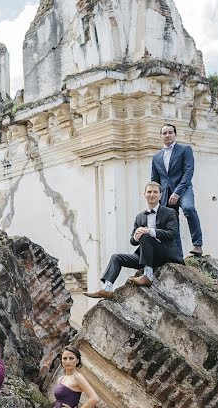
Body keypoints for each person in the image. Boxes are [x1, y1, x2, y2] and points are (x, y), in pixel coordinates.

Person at [86, 182, 183, 299]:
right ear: (144, 194)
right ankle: (107, 288)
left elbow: (172, 234)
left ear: (160, 195)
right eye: (149, 192)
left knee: (146, 236)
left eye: (155, 192)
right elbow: (132, 241)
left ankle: (148, 275)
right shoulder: (139, 217)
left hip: (165, 254)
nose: (152, 194)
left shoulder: (169, 212)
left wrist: (150, 231)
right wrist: (136, 237)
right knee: (116, 257)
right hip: (146, 256)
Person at [151, 124, 203, 256]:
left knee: (189, 208)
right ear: (161, 136)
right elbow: (155, 180)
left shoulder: (185, 150)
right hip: (166, 194)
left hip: (184, 189)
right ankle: (178, 255)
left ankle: (197, 245)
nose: (167, 135)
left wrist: (177, 192)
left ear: (175, 134)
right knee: (172, 224)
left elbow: (188, 172)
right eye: (164, 133)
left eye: (170, 132)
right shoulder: (156, 157)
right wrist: (155, 197)